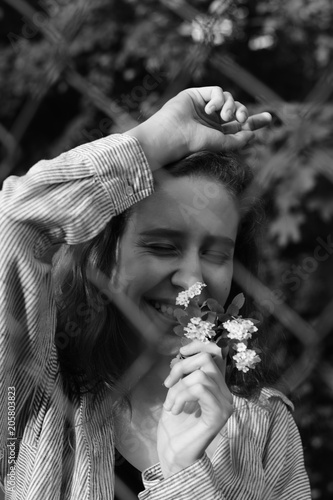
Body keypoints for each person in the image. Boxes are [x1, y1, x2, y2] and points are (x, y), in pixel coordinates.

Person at [0, 86, 311, 499]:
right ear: (103, 257)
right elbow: (16, 220)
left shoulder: (265, 426)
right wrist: (154, 140)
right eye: (162, 246)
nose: (192, 280)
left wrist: (185, 476)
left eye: (216, 253)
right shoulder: (35, 387)